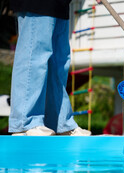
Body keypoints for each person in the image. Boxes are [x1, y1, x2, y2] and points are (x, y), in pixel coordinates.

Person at [8, 0, 101, 136]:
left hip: (60, 5)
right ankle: (25, 122)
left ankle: (60, 123)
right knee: (35, 55)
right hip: (38, 4)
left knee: (58, 63)